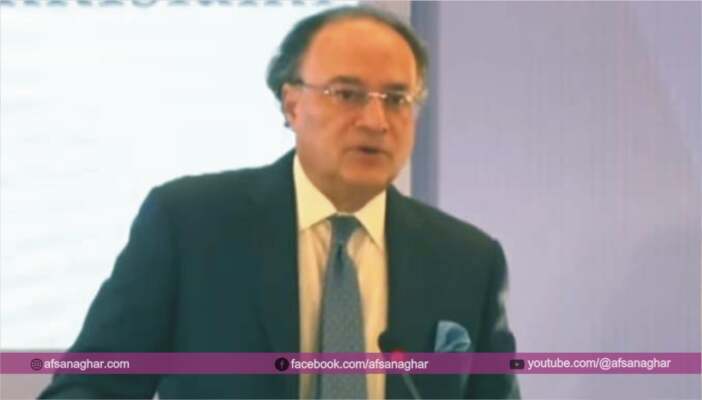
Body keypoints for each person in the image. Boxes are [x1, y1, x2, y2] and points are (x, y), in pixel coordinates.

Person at [40, 6, 519, 399]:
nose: (376, 121)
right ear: (292, 105)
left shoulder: (467, 261)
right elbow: (89, 387)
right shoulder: (190, 226)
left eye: (397, 99)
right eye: (347, 94)